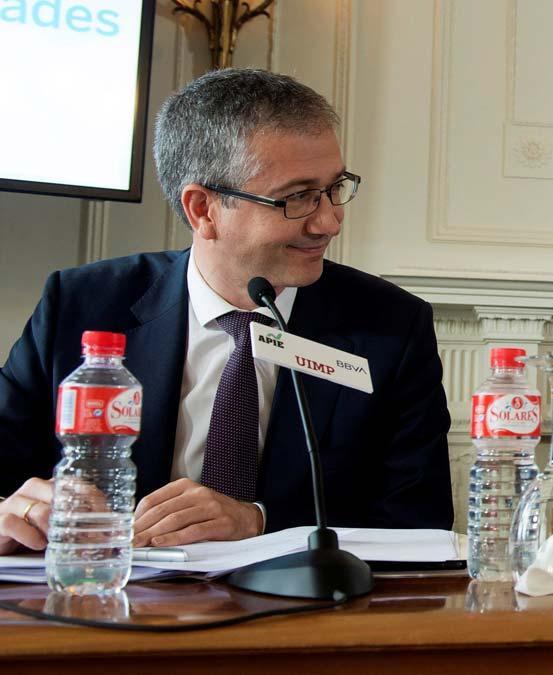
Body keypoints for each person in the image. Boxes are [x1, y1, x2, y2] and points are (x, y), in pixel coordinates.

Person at [0, 69, 453, 554]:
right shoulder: (84, 305)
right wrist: (19, 509)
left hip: (305, 618)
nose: (329, 220)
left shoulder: (389, 327)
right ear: (202, 209)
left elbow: (419, 523)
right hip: (112, 599)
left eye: (334, 187)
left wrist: (259, 521)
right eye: (297, 197)